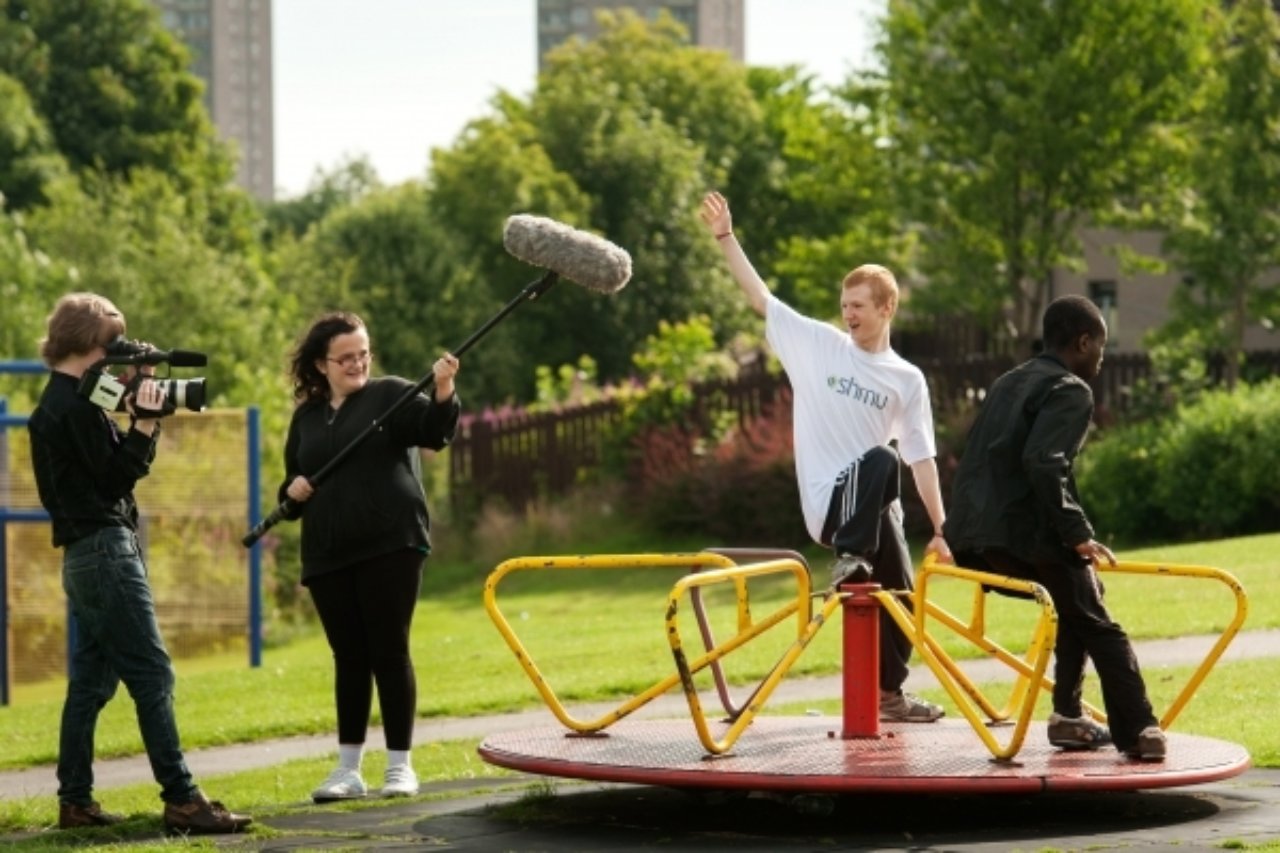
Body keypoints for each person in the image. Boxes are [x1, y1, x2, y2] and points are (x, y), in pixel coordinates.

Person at [700, 191, 952, 723]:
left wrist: (942, 529)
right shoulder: (818, 346)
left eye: (859, 305)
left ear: (887, 309)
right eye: (845, 305)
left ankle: (889, 696)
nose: (848, 314)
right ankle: (849, 558)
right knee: (880, 457)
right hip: (830, 509)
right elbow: (760, 297)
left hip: (876, 511)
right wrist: (726, 237)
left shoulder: (907, 378)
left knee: (902, 600)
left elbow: (923, 457)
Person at [27, 293, 253, 834]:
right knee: (153, 674)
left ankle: (75, 802)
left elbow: (117, 467)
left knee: (91, 685)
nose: (117, 356)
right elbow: (113, 479)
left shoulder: (66, 398)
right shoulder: (75, 407)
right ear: (87, 344)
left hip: (85, 557)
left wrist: (142, 384)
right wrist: (146, 426)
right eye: (114, 346)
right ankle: (181, 798)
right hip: (105, 552)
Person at [942, 295, 1167, 761]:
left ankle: (1067, 716)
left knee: (1080, 599)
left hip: (972, 536)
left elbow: (981, 457)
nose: (1101, 360)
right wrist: (1077, 531)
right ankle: (1142, 729)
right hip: (1022, 533)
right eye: (1100, 348)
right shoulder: (1070, 389)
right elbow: (1044, 463)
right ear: (1084, 342)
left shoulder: (1008, 382)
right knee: (1101, 624)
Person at [278, 311, 460, 802]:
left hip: (390, 543)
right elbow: (292, 489)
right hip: (328, 552)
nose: (357, 363)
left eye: (363, 353)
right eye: (346, 357)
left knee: (388, 649)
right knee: (349, 658)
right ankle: (347, 770)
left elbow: (434, 431)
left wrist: (443, 389)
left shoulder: (390, 394)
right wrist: (290, 491)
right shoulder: (307, 418)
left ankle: (399, 765)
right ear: (321, 365)